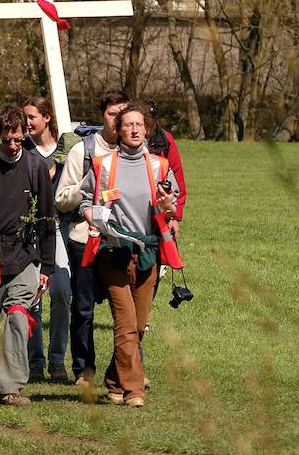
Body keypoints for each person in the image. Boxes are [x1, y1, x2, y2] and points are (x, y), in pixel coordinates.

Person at [78, 102, 178, 408]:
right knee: (124, 321)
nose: (133, 130)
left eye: (139, 125)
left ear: (146, 128)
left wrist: (168, 206)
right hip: (112, 252)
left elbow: (172, 208)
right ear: (118, 130)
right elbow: (83, 200)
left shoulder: (160, 166)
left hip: (148, 252)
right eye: (127, 125)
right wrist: (89, 214)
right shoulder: (103, 164)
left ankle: (113, 380)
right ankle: (135, 390)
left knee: (137, 325)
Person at [0, 105, 56, 406]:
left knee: (18, 315)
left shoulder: (35, 166)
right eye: (7, 140)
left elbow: (46, 218)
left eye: (18, 139)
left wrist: (47, 266)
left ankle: (11, 388)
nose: (13, 145)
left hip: (24, 255)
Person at [54, 89, 129, 386]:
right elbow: (60, 199)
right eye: (113, 114)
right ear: (103, 116)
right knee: (83, 308)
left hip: (122, 241)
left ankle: (128, 369)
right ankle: (84, 371)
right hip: (84, 239)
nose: (118, 121)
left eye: (123, 115)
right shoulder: (82, 150)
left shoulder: (134, 153)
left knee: (125, 310)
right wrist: (86, 186)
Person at [23, 96, 70, 382]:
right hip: (31, 230)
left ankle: (57, 359)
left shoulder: (68, 150)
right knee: (33, 298)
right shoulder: (22, 150)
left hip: (59, 228)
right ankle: (36, 361)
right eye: (25, 117)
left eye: (32, 117)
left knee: (62, 292)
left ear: (47, 118)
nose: (27, 123)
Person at [143, 100, 187, 236]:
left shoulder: (166, 140)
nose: (146, 127)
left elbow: (178, 177)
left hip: (162, 206)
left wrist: (175, 216)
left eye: (149, 121)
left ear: (156, 120)